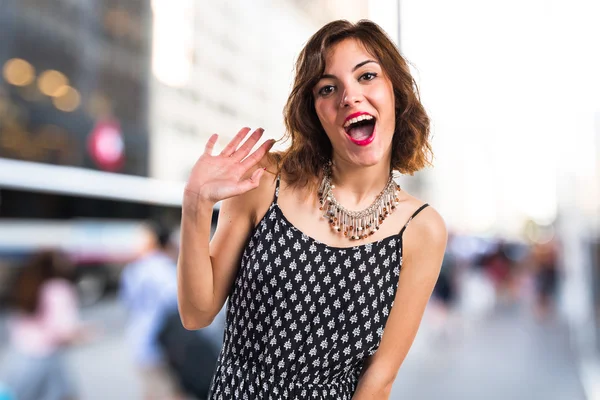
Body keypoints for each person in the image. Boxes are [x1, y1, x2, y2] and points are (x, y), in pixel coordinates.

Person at [177, 19, 447, 399]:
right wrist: (196, 203)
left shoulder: (423, 229)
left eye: (366, 76)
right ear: (316, 112)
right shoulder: (265, 179)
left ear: (396, 93)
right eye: (328, 87)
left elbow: (380, 378)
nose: (349, 96)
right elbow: (196, 313)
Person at [1, 250, 94, 400]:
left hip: (19, 358)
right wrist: (86, 333)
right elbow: (64, 331)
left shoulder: (25, 284)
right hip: (47, 360)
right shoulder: (58, 288)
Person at [119, 222, 182, 400]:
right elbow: (176, 304)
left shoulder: (133, 269)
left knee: (152, 391)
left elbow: (128, 302)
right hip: (164, 344)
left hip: (141, 340)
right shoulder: (165, 268)